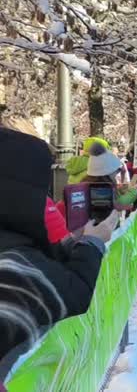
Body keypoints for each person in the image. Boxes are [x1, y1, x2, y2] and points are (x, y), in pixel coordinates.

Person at [0, 128, 116, 365]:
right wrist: (92, 243)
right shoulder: (12, 266)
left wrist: (71, 242)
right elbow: (73, 292)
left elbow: (43, 266)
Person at [82, 144, 137, 212]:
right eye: (116, 171)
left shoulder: (87, 183)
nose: (117, 173)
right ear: (108, 172)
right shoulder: (105, 186)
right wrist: (133, 190)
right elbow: (120, 202)